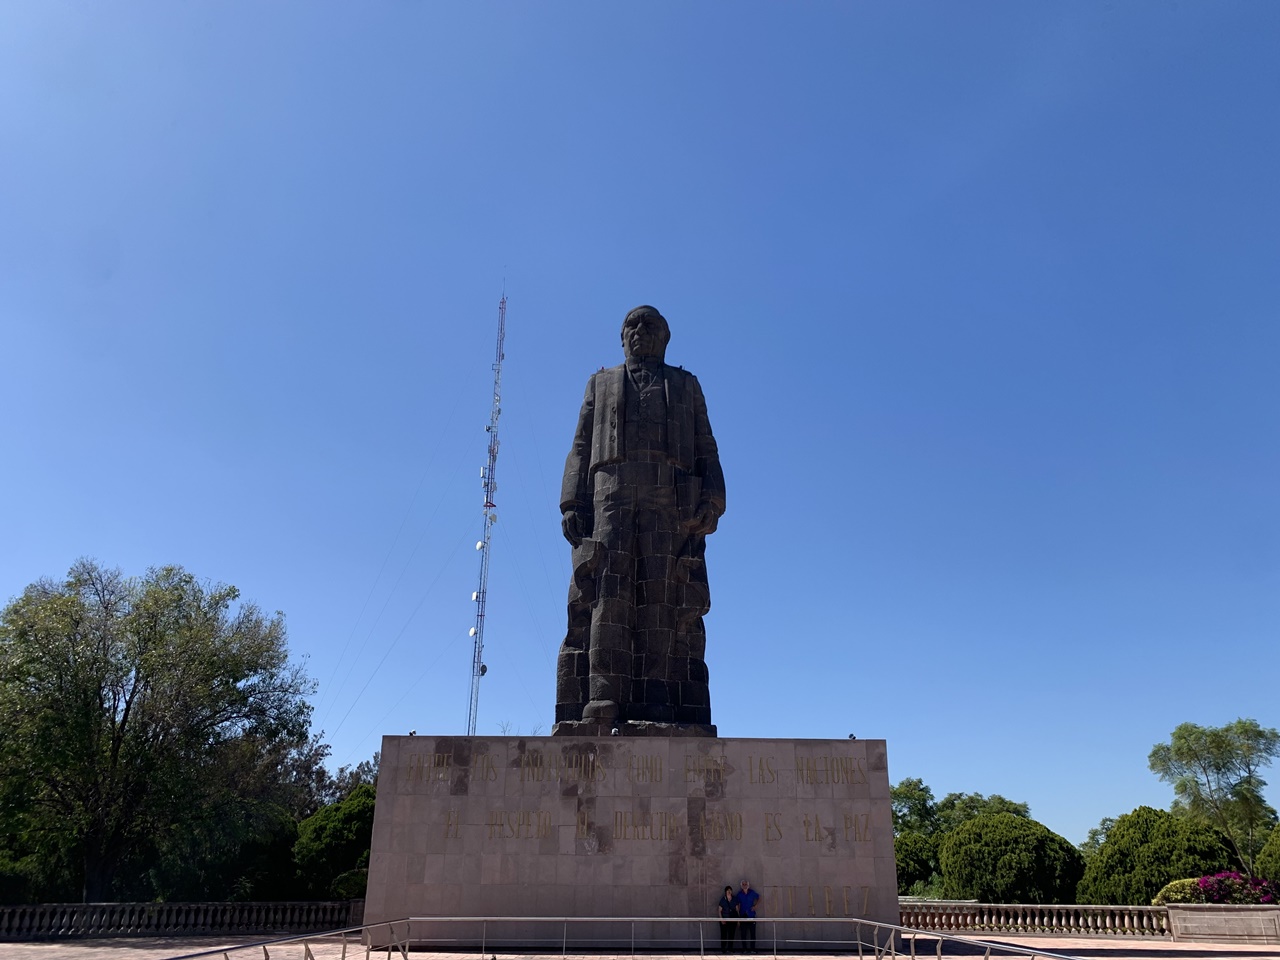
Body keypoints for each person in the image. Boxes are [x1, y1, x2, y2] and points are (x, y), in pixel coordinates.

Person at [554, 305, 726, 728]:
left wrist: (713, 499)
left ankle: (656, 694)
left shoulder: (686, 384)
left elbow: (706, 446)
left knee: (661, 596)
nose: (640, 331)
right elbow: (580, 445)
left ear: (665, 338)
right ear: (622, 337)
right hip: (610, 493)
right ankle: (602, 693)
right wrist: (572, 502)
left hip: (669, 497)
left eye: (650, 325)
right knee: (608, 592)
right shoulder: (601, 383)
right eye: (632, 325)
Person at [736, 879, 760, 953]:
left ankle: (752, 949)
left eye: (746, 884)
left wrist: (756, 906)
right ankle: (744, 949)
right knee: (743, 933)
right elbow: (738, 905)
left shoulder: (752, 892)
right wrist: (738, 917)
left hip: (751, 915)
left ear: (748, 885)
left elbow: (759, 897)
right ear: (741, 886)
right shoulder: (739, 894)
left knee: (753, 933)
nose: (744, 886)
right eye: (743, 884)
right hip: (743, 915)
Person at [717, 885, 739, 953]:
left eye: (730, 890)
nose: (729, 892)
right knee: (724, 934)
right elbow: (719, 910)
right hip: (724, 919)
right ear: (725, 892)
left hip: (732, 919)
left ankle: (730, 948)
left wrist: (738, 920)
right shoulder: (723, 900)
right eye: (728, 890)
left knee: (731, 934)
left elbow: (737, 909)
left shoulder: (734, 899)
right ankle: (723, 948)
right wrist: (721, 919)